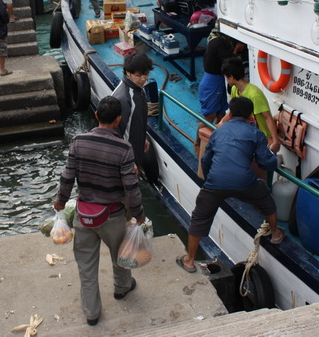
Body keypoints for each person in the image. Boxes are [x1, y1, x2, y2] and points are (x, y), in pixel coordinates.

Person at [54, 96, 145, 326]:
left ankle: (92, 312)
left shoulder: (78, 141)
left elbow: (67, 176)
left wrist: (60, 202)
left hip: (84, 216)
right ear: (118, 120)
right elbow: (131, 188)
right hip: (113, 216)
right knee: (120, 257)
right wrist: (139, 214)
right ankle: (122, 288)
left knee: (86, 266)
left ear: (96, 116)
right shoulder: (124, 148)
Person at [176, 97, 284, 274]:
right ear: (250, 115)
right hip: (245, 182)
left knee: (199, 218)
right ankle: (275, 233)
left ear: (231, 113)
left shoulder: (218, 131)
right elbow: (267, 164)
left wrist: (210, 181)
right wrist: (271, 154)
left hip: (215, 183)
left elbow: (206, 159)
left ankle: (189, 260)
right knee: (265, 197)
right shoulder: (255, 133)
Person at [219, 57, 281, 153]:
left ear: (231, 77)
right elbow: (232, 112)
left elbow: (267, 117)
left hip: (261, 137)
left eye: (226, 77)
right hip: (248, 135)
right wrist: (221, 123)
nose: (226, 80)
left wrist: (275, 141)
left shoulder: (254, 95)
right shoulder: (235, 90)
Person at [112, 51, 153, 169]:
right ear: (128, 73)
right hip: (127, 159)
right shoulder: (124, 99)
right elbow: (116, 133)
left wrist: (143, 138)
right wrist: (128, 162)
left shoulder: (138, 89)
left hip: (135, 150)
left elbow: (136, 121)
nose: (144, 79)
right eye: (139, 76)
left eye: (146, 74)